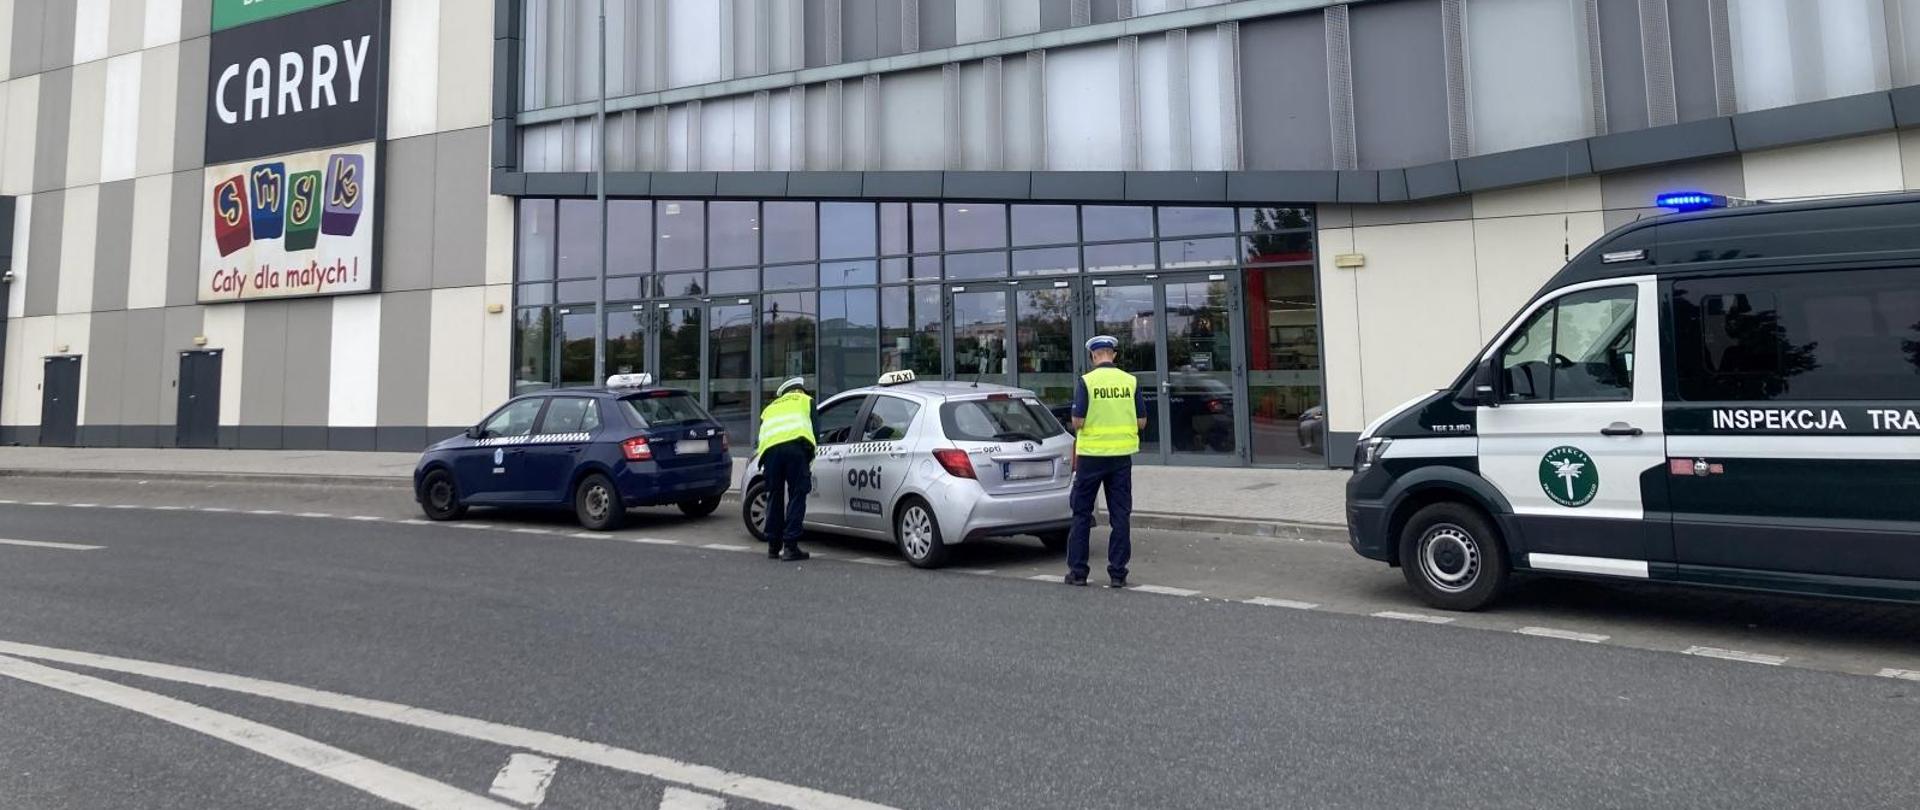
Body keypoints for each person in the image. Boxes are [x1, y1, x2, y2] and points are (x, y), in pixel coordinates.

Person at [1065, 335, 1147, 588]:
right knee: (1120, 515)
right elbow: (1142, 422)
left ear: (1093, 356)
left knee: (1081, 514)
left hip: (1091, 458)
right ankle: (1118, 574)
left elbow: (1077, 421)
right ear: (1114, 355)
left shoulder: (1087, 382)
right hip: (1121, 457)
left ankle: (1078, 573)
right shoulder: (1130, 381)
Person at [756, 376, 815, 561]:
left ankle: (773, 547)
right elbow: (815, 432)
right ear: (800, 390)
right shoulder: (806, 401)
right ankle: (790, 546)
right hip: (795, 449)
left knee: (774, 495)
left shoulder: (770, 408)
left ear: (783, 394)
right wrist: (809, 461)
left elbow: (762, 435)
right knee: (798, 494)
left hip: (771, 453)